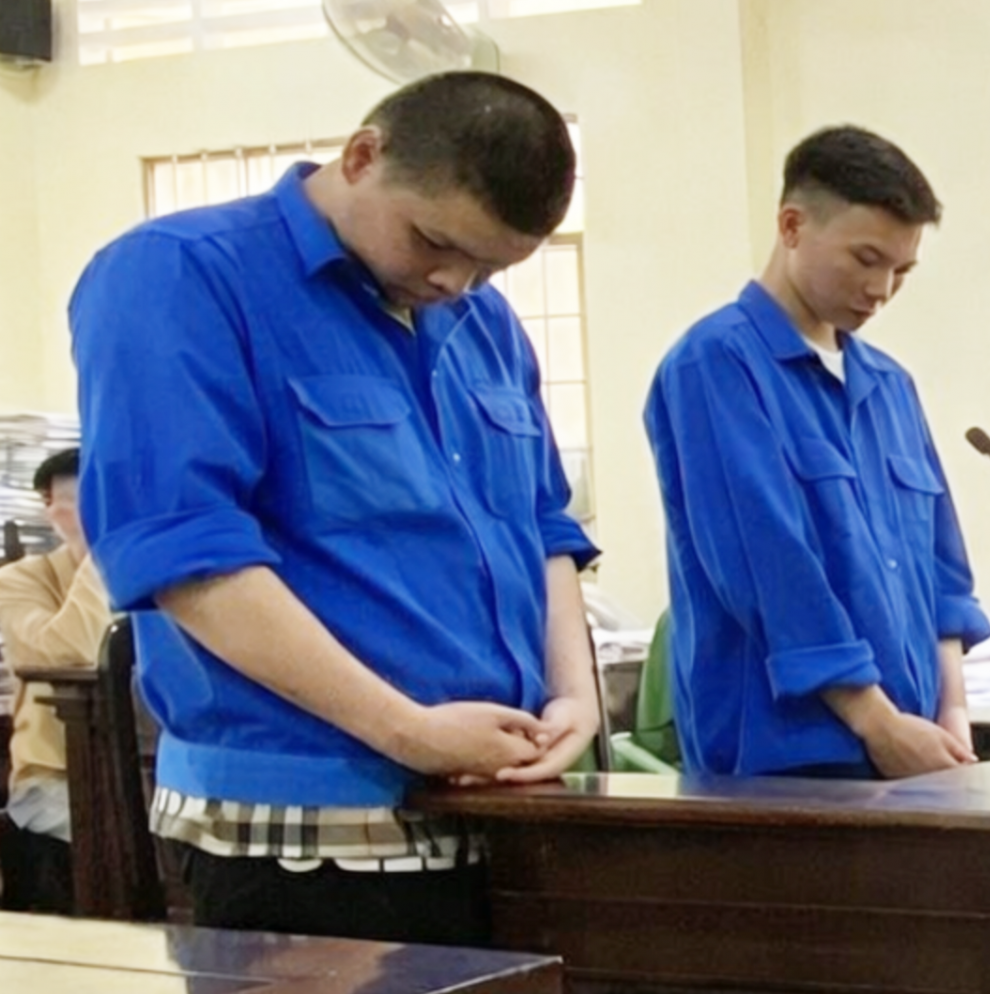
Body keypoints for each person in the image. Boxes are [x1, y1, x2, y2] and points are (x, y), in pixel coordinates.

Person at [68, 71, 599, 945]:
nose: (454, 280)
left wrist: (574, 697)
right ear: (361, 156)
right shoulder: (183, 276)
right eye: (434, 241)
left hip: (500, 815)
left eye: (490, 266)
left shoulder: (483, 322)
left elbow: (541, 526)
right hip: (303, 826)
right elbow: (187, 557)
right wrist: (408, 730)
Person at [645, 126, 990, 781]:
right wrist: (875, 721)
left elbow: (943, 573)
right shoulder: (715, 364)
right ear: (792, 226)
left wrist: (952, 713)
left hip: (915, 748)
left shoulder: (889, 386)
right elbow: (770, 567)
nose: (881, 288)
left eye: (901, 271)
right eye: (866, 259)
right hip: (786, 762)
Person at [0, 448, 112, 914]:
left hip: (152, 778)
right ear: (51, 510)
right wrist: (105, 549)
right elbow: (73, 650)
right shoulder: (21, 580)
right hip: (57, 784)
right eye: (88, 501)